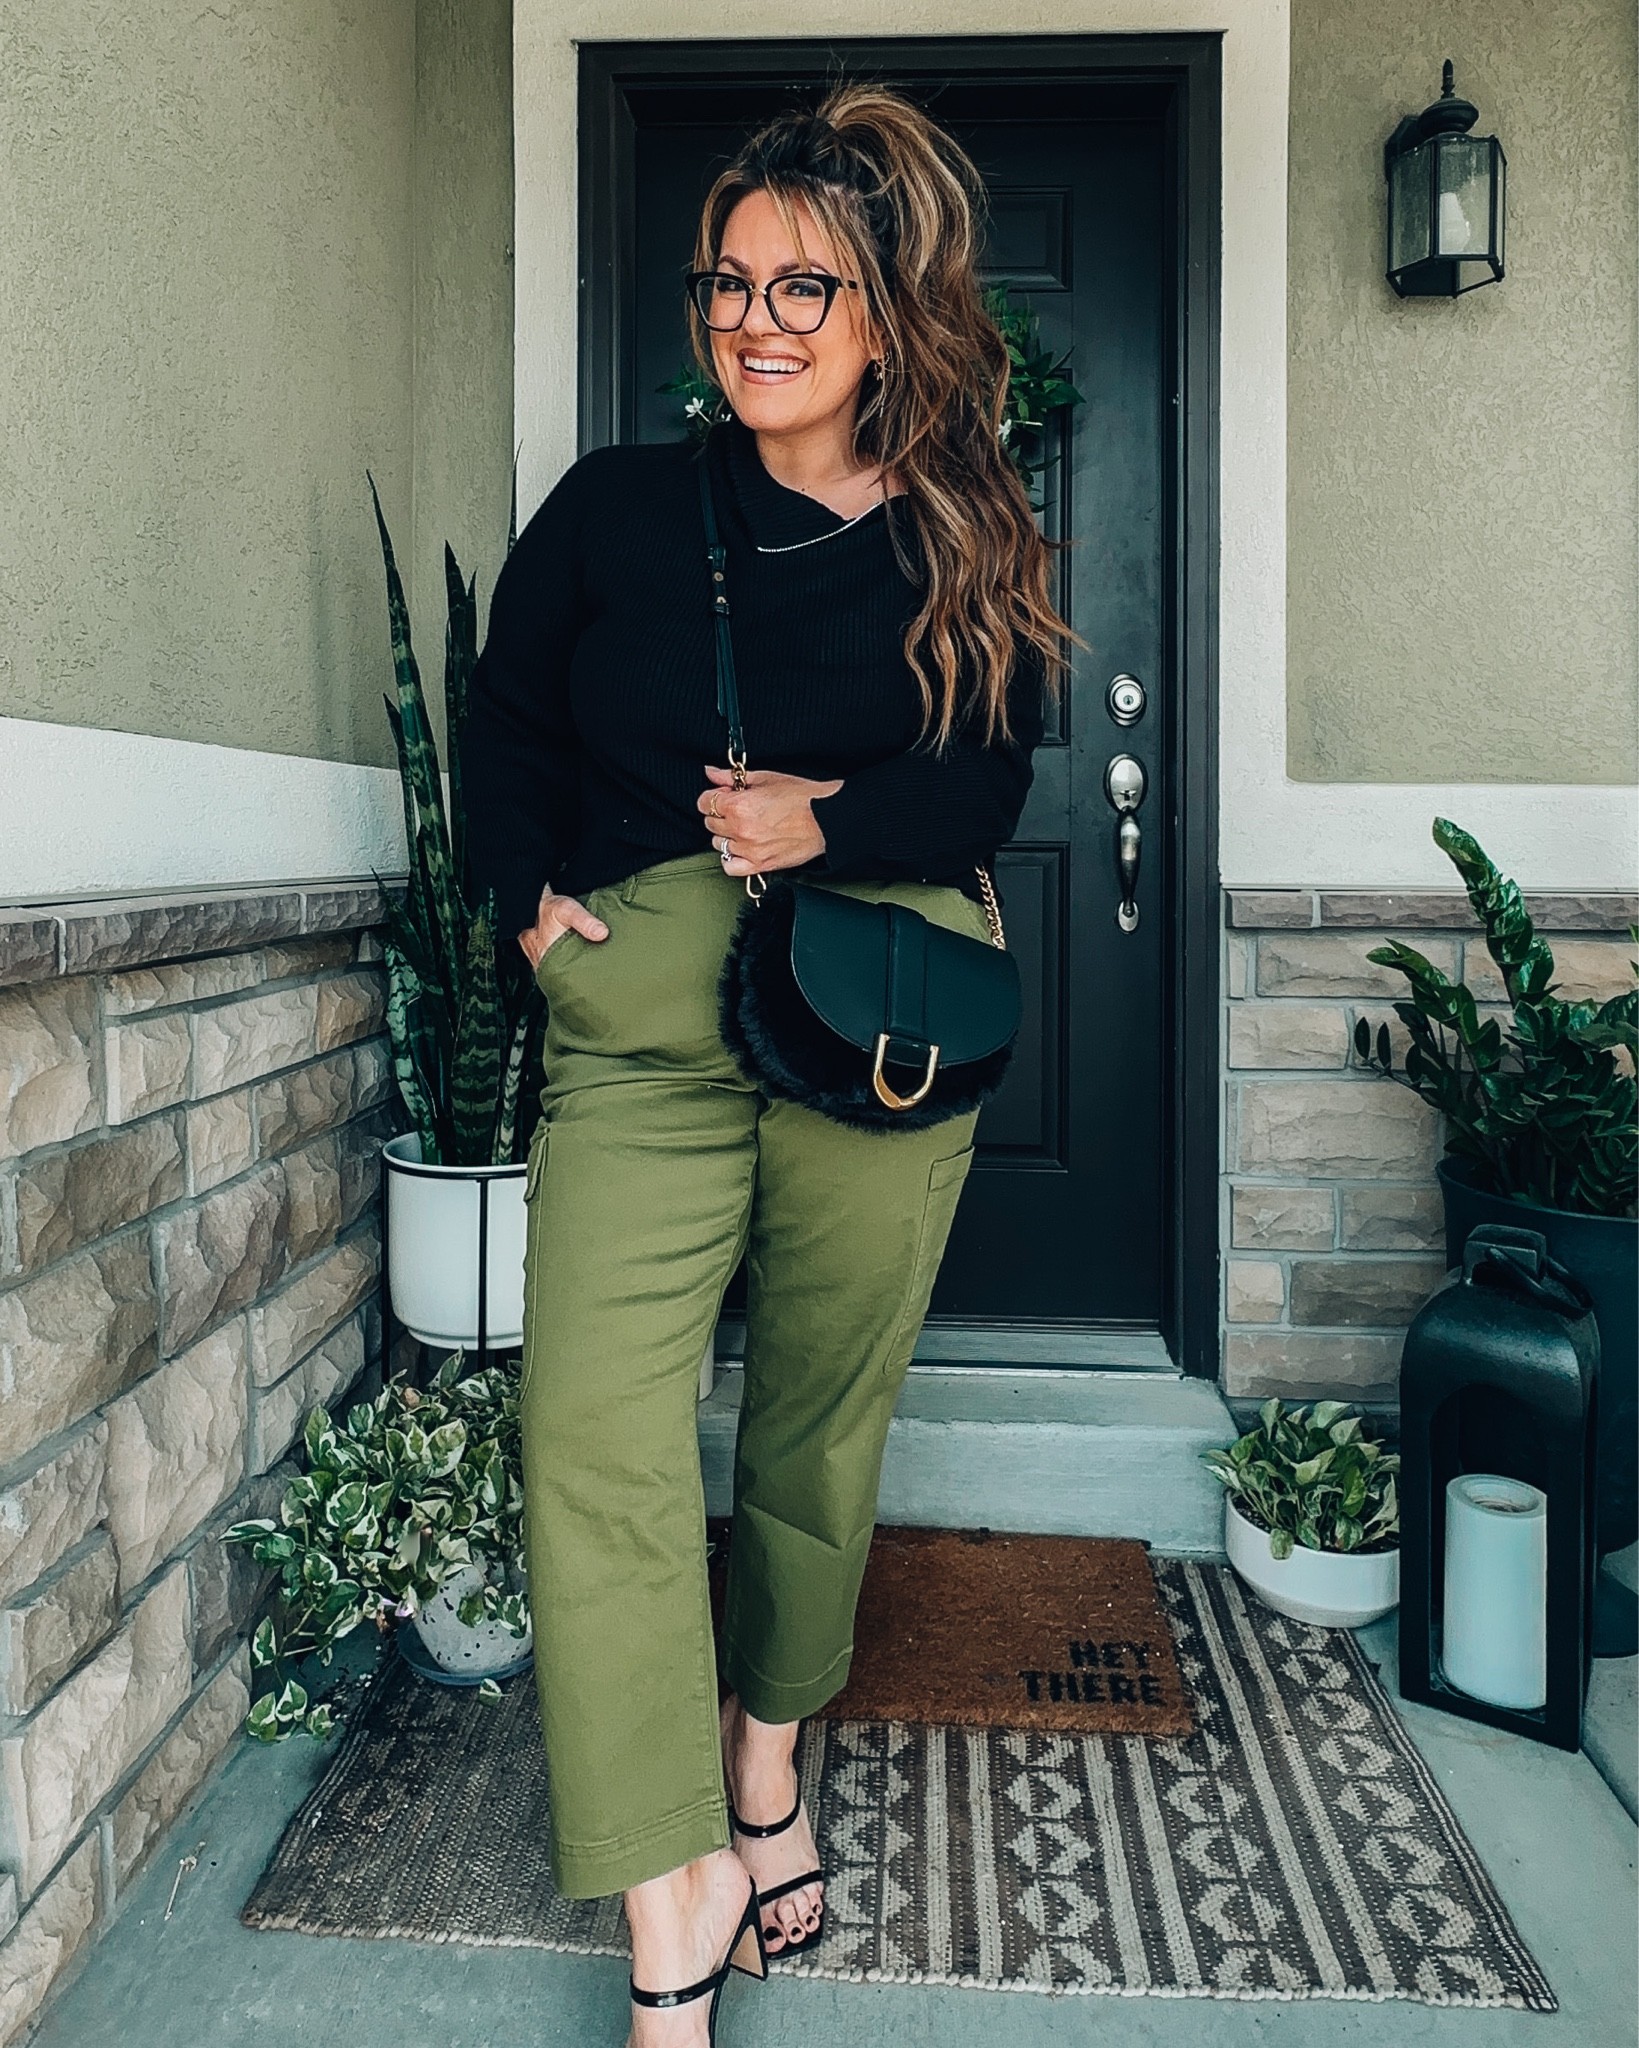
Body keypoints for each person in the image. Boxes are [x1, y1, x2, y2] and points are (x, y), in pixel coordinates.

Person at [460, 81, 1071, 2047]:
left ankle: (760, 1763)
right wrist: (520, 901)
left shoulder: (968, 525)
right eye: (730, 281)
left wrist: (835, 821)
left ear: (887, 311)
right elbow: (505, 711)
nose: (759, 317)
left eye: (806, 283)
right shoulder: (620, 508)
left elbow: (991, 768)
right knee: (594, 1428)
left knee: (817, 1418)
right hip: (641, 1014)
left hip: (875, 1012)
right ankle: (671, 1877)